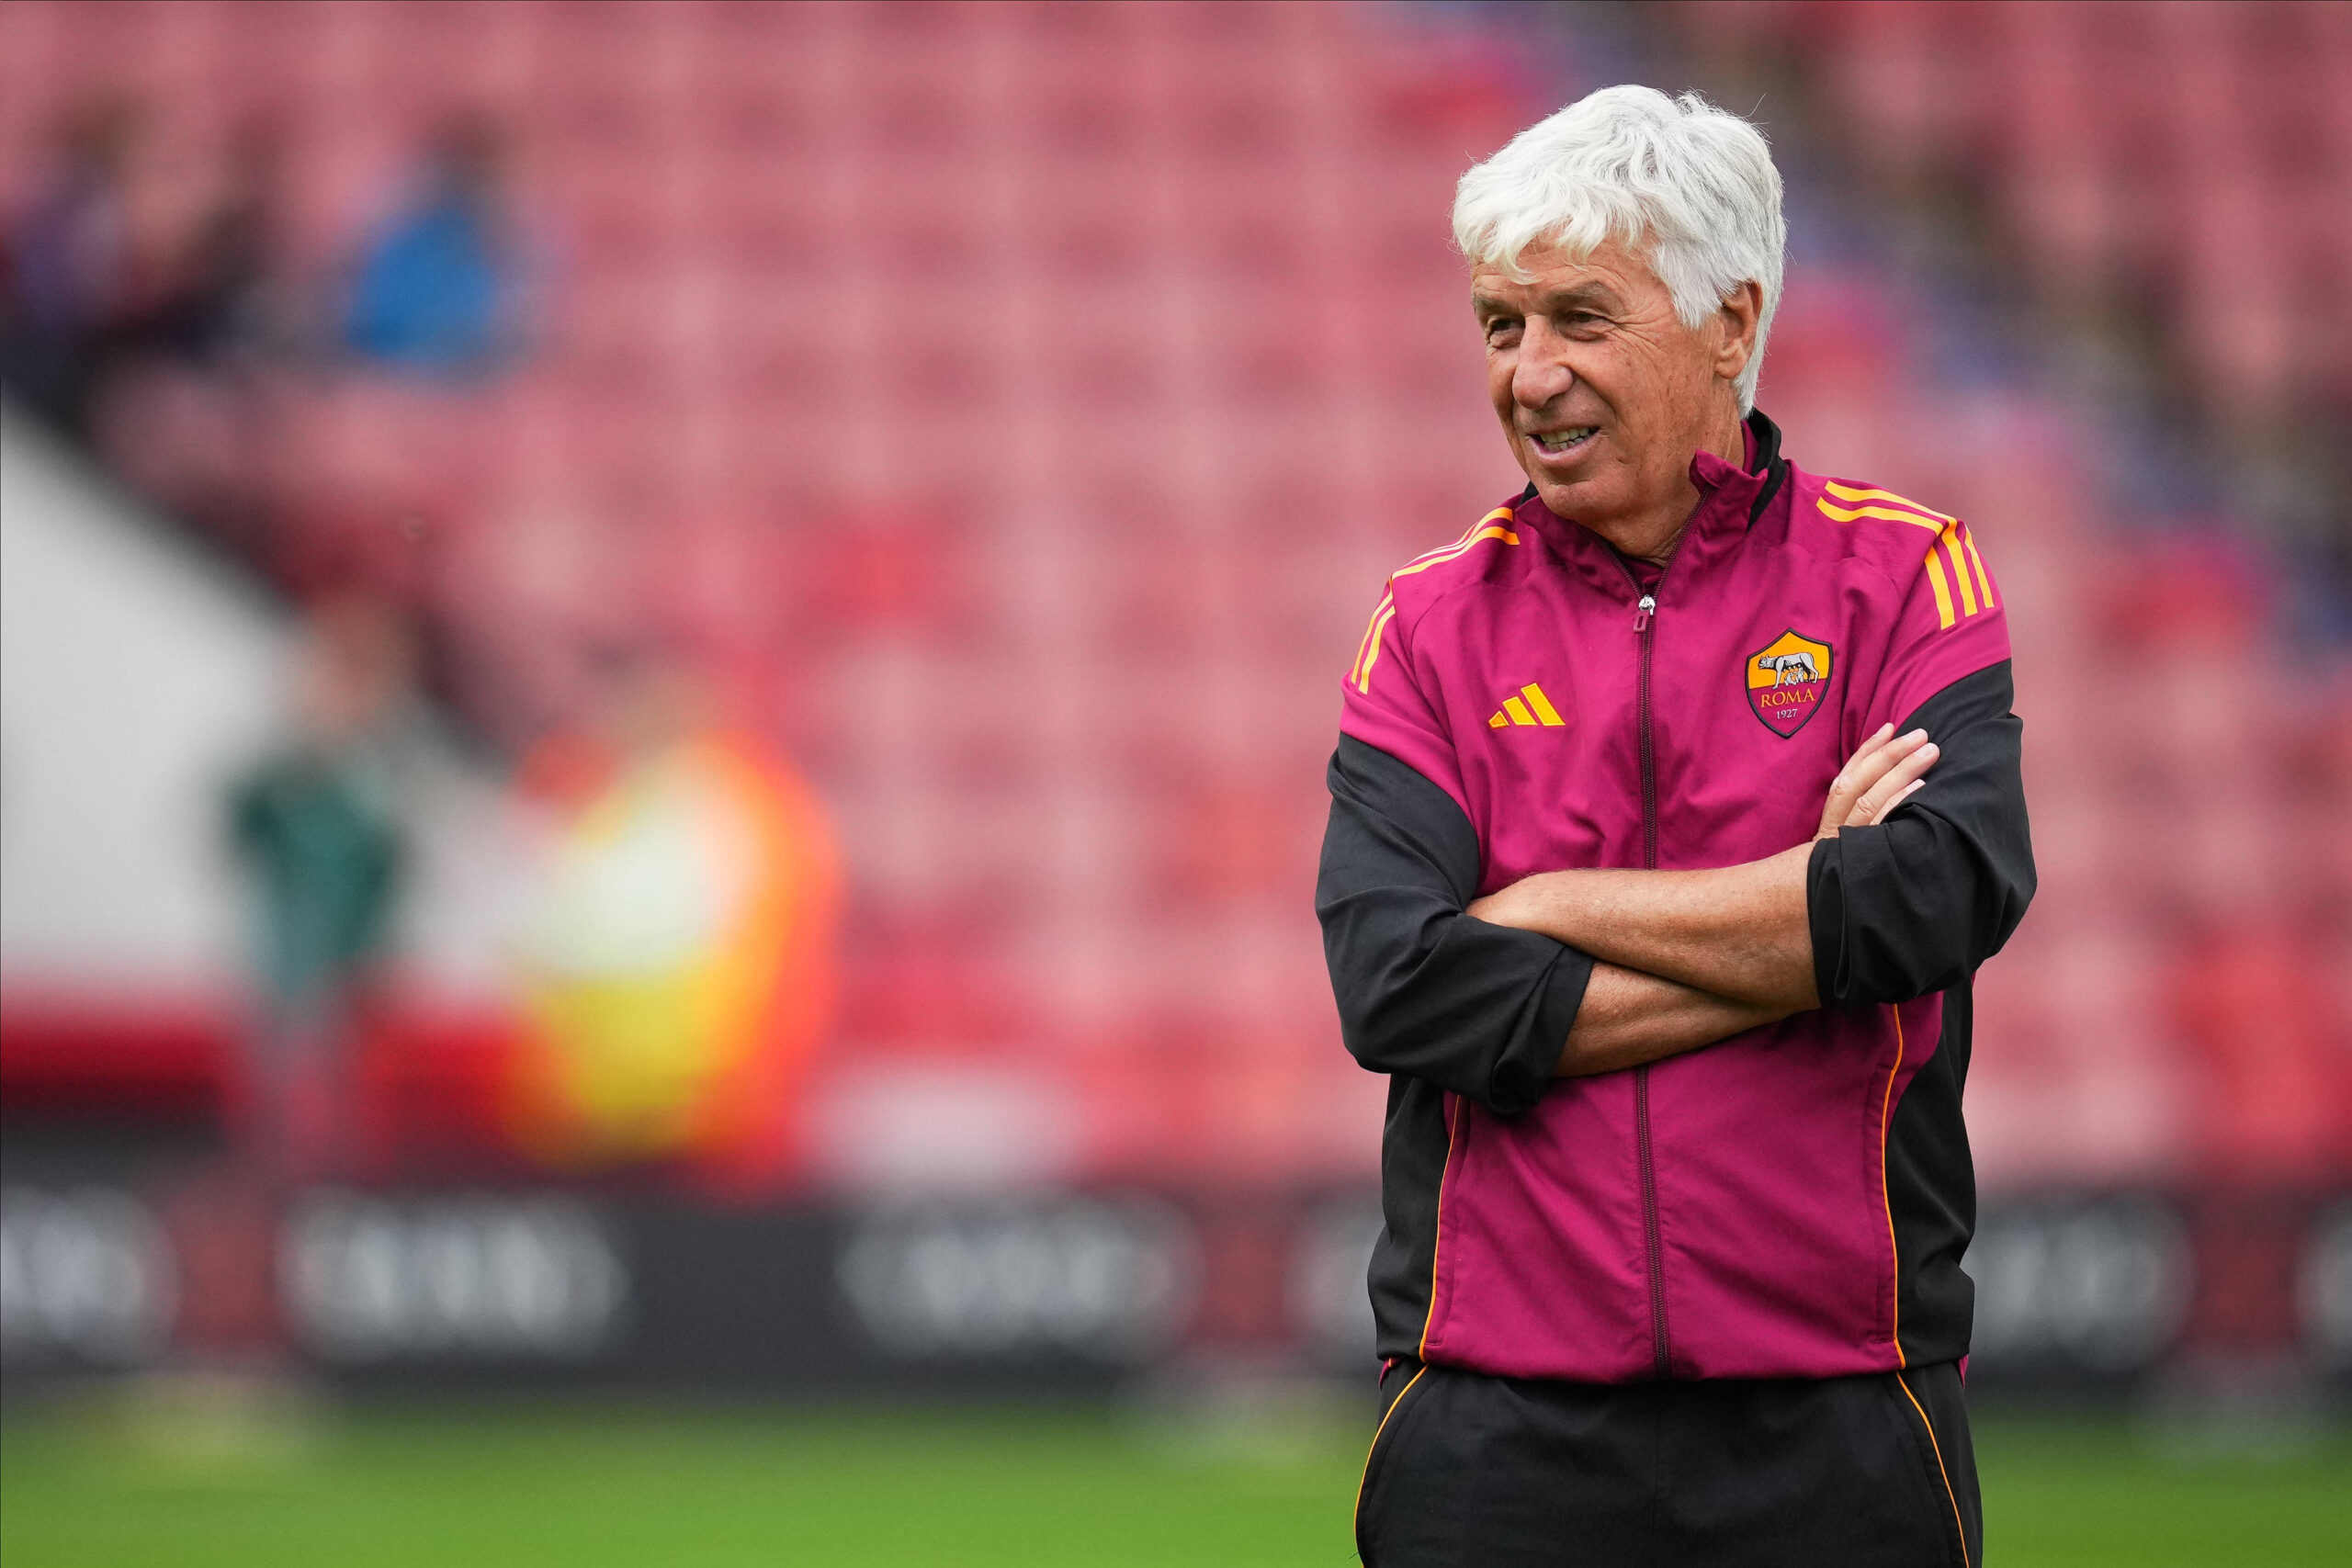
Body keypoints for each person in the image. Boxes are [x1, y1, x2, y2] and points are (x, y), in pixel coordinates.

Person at [1318, 87, 2032, 1566]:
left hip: (1842, 1410)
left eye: (1580, 315)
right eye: (1501, 326)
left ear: (1729, 317)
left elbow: (1937, 896)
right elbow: (1401, 985)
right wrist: (1805, 920)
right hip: (1493, 1422)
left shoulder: (1904, 575)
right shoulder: (1429, 623)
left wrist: (1554, 905)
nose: (1531, 374)